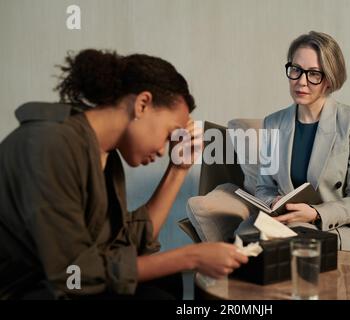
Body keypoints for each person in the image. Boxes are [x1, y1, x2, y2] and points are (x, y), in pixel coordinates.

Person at [0, 49, 248, 299]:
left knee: (171, 283)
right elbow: (73, 273)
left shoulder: (105, 155)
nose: (164, 149)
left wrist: (178, 169)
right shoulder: (50, 146)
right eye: (168, 133)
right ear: (142, 104)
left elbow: (124, 247)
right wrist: (190, 256)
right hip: (31, 290)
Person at [237, 31, 350, 256]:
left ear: (329, 80)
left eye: (314, 74)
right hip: (291, 224)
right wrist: (274, 202)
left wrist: (316, 213)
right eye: (296, 70)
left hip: (344, 229)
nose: (301, 81)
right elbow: (264, 188)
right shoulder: (273, 123)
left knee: (291, 247)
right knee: (242, 237)